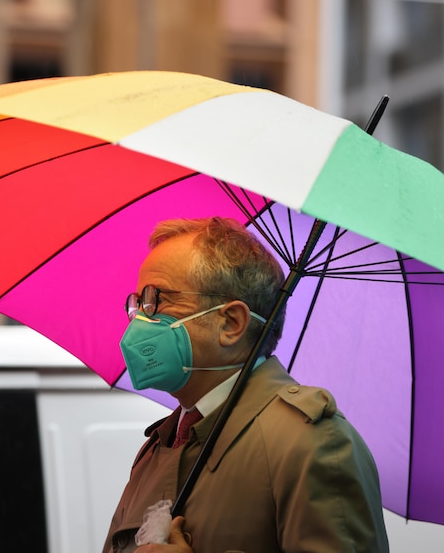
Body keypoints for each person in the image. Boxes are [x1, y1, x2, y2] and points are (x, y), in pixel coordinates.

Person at [104, 217, 389, 553]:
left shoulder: (309, 443)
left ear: (231, 323)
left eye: (157, 300)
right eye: (138, 303)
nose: (140, 319)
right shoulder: (157, 449)